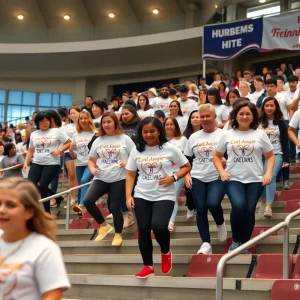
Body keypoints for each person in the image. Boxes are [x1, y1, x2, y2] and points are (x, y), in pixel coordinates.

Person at [126, 117, 191, 278]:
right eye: (145, 132)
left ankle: (165, 250)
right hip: (142, 194)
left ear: (159, 131)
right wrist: (128, 195)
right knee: (143, 229)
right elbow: (130, 174)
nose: (148, 135)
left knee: (159, 226)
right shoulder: (137, 150)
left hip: (164, 194)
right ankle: (148, 266)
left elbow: (186, 166)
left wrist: (174, 178)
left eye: (152, 131)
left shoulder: (169, 148)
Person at [213, 101, 274, 253]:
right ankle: (236, 240)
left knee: (249, 210)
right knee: (239, 206)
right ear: (235, 116)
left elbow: (270, 156)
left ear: (253, 116)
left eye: (248, 114)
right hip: (233, 179)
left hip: (255, 179)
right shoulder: (227, 134)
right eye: (241, 114)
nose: (244, 116)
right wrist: (222, 171)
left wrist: (268, 173)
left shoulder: (260, 134)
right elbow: (216, 156)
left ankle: (244, 244)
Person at [0, 177, 70, 299]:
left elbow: (52, 295)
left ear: (29, 212)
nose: (2, 210)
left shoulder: (44, 248)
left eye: (11, 205)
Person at [84, 112, 135, 246]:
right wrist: (92, 168)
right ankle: (104, 225)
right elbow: (91, 160)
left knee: (114, 206)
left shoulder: (124, 139)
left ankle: (118, 234)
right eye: (104, 122)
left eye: (109, 122)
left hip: (120, 178)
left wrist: (128, 161)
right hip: (101, 177)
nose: (106, 125)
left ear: (115, 123)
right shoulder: (98, 140)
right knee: (88, 201)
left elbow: (136, 155)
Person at [185, 104, 227, 254]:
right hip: (198, 176)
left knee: (213, 203)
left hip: (217, 176)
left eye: (207, 116)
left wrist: (226, 161)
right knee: (201, 208)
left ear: (215, 117)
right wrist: (187, 175)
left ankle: (220, 223)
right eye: (202, 116)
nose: (204, 119)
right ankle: (205, 242)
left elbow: (231, 155)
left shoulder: (223, 134)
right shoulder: (194, 137)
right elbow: (187, 160)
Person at [23, 111, 71, 213]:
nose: (44, 123)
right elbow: (31, 149)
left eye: (46, 120)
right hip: (37, 162)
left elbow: (69, 142)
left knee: (43, 185)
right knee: (31, 184)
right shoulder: (34, 134)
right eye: (42, 121)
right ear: (37, 122)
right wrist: (26, 161)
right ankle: (57, 198)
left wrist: (59, 150)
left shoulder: (56, 131)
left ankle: (47, 211)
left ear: (50, 121)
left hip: (52, 163)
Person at [258, 97, 289, 218]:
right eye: (267, 105)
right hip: (260, 155)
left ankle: (268, 206)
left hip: (277, 153)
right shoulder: (257, 122)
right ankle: (262, 200)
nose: (269, 108)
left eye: (272, 105)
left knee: (270, 175)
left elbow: (285, 142)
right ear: (263, 107)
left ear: (276, 107)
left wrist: (286, 159)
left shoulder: (281, 122)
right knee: (261, 177)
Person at [69, 110, 96, 217]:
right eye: (81, 119)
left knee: (85, 181)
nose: (83, 121)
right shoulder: (76, 135)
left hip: (92, 163)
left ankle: (81, 205)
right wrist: (71, 150)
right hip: (79, 164)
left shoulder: (95, 133)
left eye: (85, 118)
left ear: (89, 119)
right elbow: (74, 156)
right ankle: (80, 210)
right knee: (81, 185)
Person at [164, 117, 188, 231]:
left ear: (176, 126)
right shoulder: (161, 141)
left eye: (171, 124)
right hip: (164, 174)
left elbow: (187, 158)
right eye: (167, 124)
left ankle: (170, 221)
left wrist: (188, 174)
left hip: (179, 173)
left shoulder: (183, 140)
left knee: (173, 196)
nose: (169, 126)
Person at [62, 107, 80, 205]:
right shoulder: (66, 127)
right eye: (71, 114)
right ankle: (73, 198)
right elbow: (66, 140)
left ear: (80, 113)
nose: (72, 115)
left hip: (81, 152)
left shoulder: (84, 124)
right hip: (69, 152)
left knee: (79, 175)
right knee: (71, 175)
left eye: (74, 113)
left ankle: (81, 197)